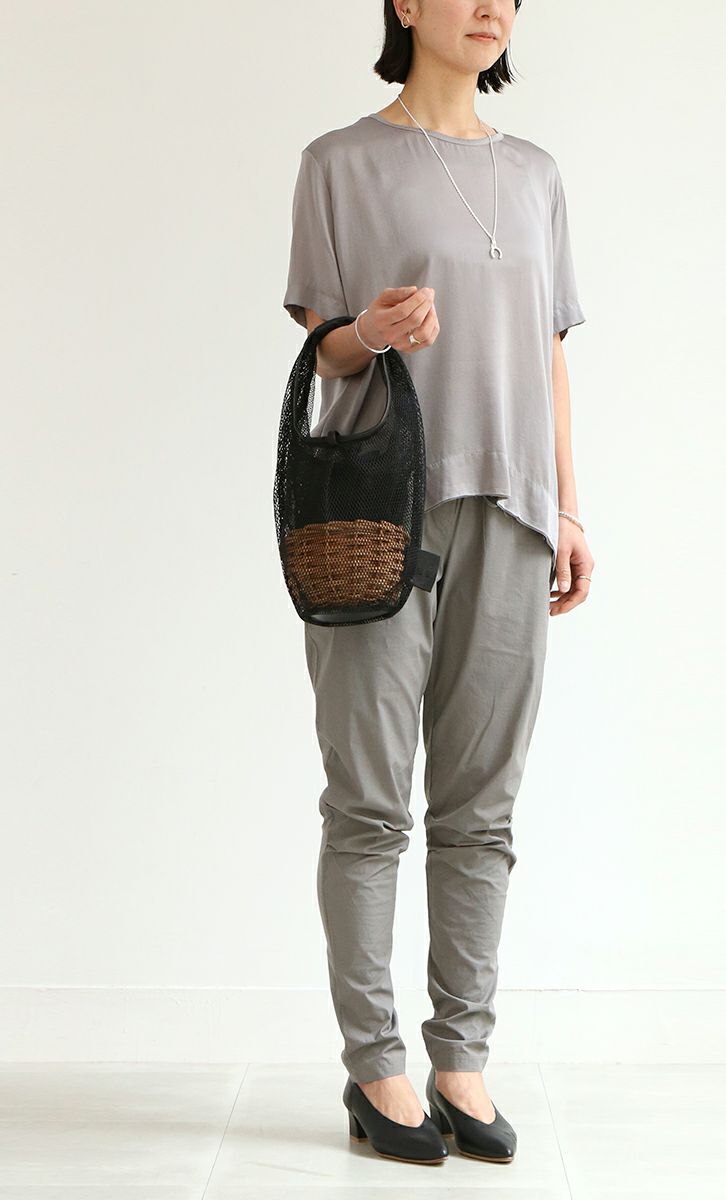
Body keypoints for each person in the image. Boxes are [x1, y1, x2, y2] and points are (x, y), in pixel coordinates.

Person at [282, 0, 594, 1166]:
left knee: (482, 812)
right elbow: (323, 346)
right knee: (368, 806)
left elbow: (550, 352)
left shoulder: (537, 173)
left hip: (513, 512)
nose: (491, 6)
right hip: (377, 512)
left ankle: (461, 1060)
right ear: (405, 4)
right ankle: (376, 1069)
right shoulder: (339, 162)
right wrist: (368, 330)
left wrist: (568, 507)